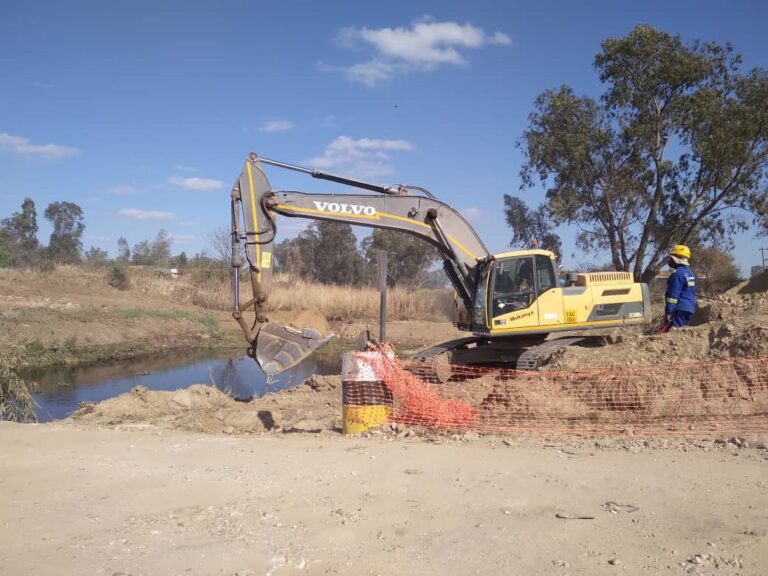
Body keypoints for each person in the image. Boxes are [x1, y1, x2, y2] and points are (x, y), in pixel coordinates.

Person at [663, 244, 696, 329]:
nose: (669, 261)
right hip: (689, 308)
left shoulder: (677, 274)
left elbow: (673, 295)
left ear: (676, 259)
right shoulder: (689, 273)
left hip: (679, 309)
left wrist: (669, 311)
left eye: (671, 258)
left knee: (675, 332)